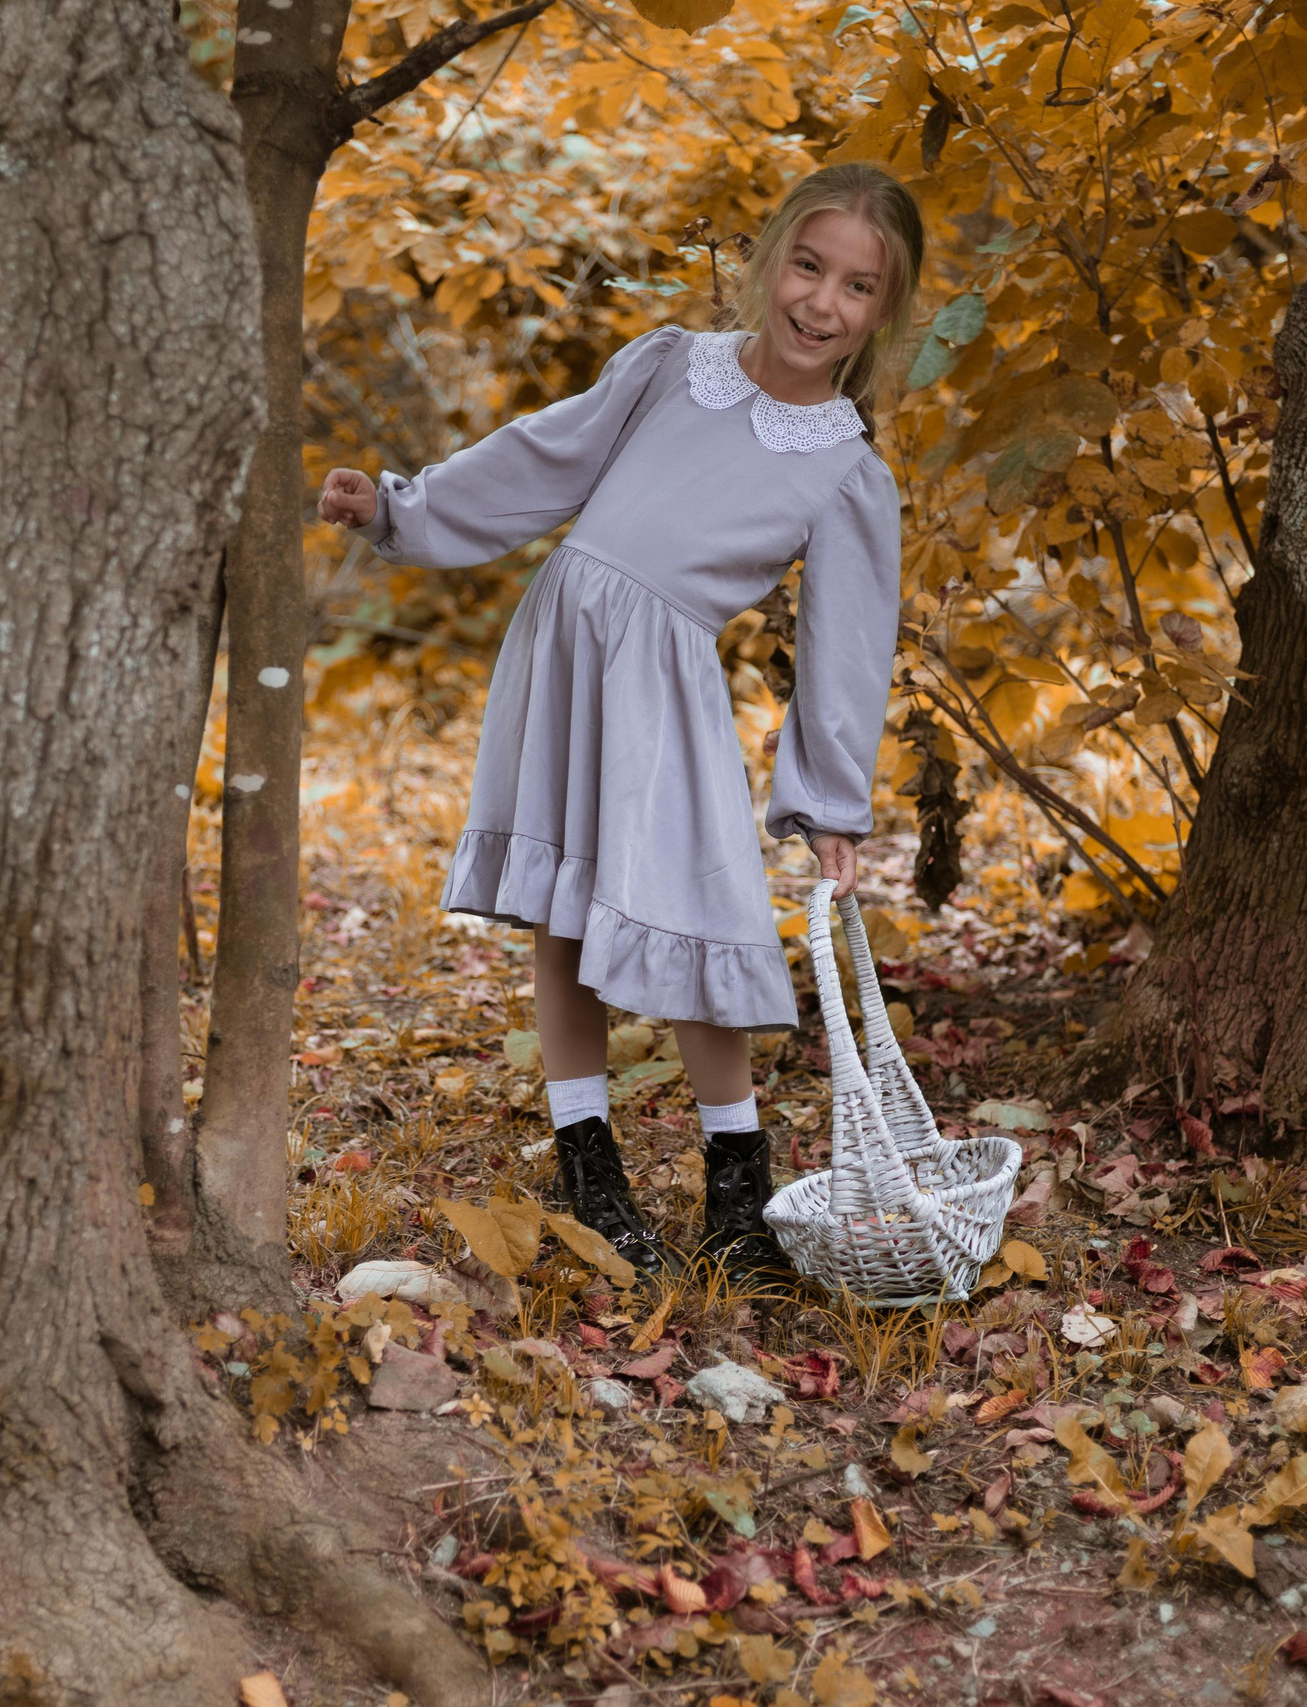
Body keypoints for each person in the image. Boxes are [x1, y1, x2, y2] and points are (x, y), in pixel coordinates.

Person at [317, 163, 920, 1273]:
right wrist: (404, 507)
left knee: (701, 914)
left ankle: (738, 1195)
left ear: (882, 310)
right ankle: (587, 1166)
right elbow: (545, 459)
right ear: (771, 258)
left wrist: (832, 801)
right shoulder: (668, 367)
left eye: (855, 287)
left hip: (663, 679)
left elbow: (846, 643)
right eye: (806, 266)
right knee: (565, 905)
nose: (820, 302)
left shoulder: (842, 467)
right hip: (567, 645)